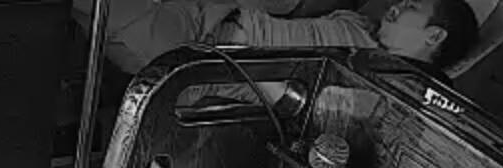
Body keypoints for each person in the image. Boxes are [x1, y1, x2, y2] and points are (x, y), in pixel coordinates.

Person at [80, 0, 479, 78]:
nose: (396, 5)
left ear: (435, 34)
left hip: (201, 54)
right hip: (212, 14)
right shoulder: (357, 23)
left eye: (412, 6)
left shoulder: (374, 80)